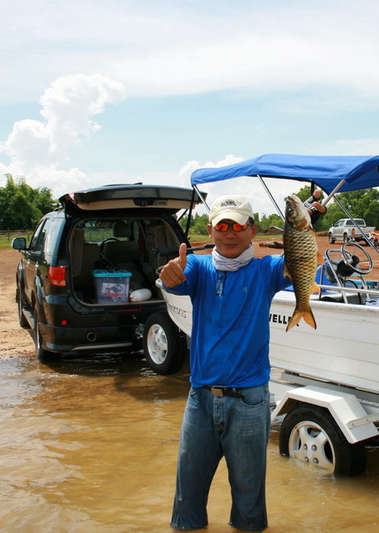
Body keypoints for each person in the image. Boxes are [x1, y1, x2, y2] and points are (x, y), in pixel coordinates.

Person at [160, 195, 289, 532]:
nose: (229, 234)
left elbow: (300, 262)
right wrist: (168, 275)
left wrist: (306, 224)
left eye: (238, 226)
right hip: (200, 399)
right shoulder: (198, 266)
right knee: (186, 500)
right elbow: (175, 278)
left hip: (249, 400)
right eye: (222, 226)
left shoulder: (267, 270)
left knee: (249, 501)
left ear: (252, 230)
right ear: (210, 230)